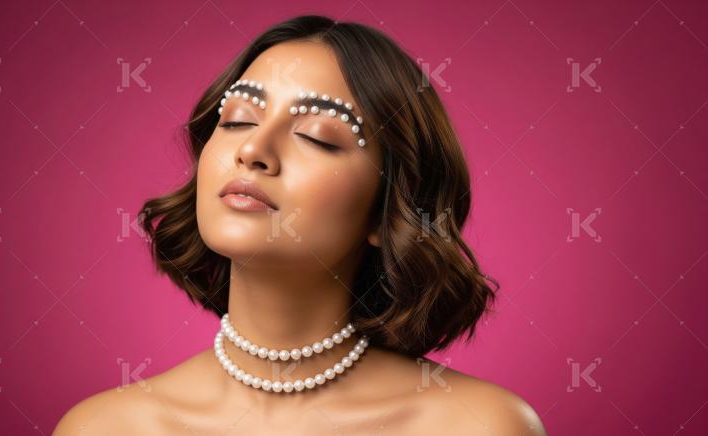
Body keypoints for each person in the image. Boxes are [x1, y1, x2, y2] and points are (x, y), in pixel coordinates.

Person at [54, 15, 546, 435]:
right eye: (238, 120)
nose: (253, 151)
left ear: (387, 209)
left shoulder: (477, 425)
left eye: (317, 137)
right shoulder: (105, 427)